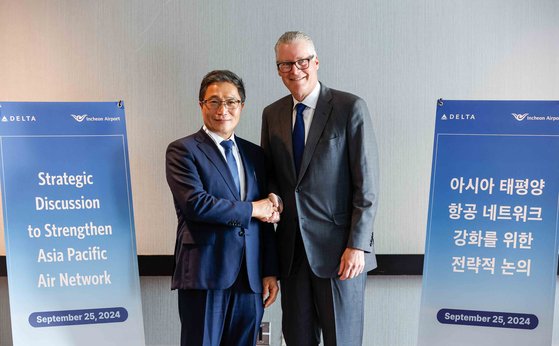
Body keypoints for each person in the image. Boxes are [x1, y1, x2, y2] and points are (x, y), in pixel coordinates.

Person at [261, 31, 379, 346]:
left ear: (316, 62)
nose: (294, 70)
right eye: (285, 64)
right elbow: (271, 176)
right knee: (298, 339)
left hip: (341, 253)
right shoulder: (271, 114)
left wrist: (358, 246)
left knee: (343, 339)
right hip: (292, 255)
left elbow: (366, 184)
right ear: (278, 69)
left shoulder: (349, 107)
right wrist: (272, 198)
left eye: (302, 61)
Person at [166, 70, 279, 346]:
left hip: (249, 279)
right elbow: (197, 205)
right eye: (213, 101)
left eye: (231, 102)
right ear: (201, 105)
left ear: (242, 106)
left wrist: (269, 270)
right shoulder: (183, 151)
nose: (223, 110)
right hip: (206, 274)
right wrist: (253, 209)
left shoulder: (255, 155)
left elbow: (266, 219)